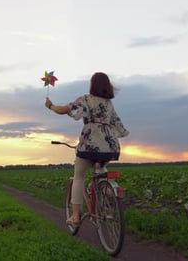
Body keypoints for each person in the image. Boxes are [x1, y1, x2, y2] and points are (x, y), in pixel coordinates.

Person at [45, 72, 129, 227]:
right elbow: (118, 125)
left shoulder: (86, 99)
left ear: (92, 85)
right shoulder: (109, 104)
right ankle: (108, 196)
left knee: (79, 177)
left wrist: (50, 106)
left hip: (90, 146)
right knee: (101, 171)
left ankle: (76, 217)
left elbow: (65, 110)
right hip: (110, 147)